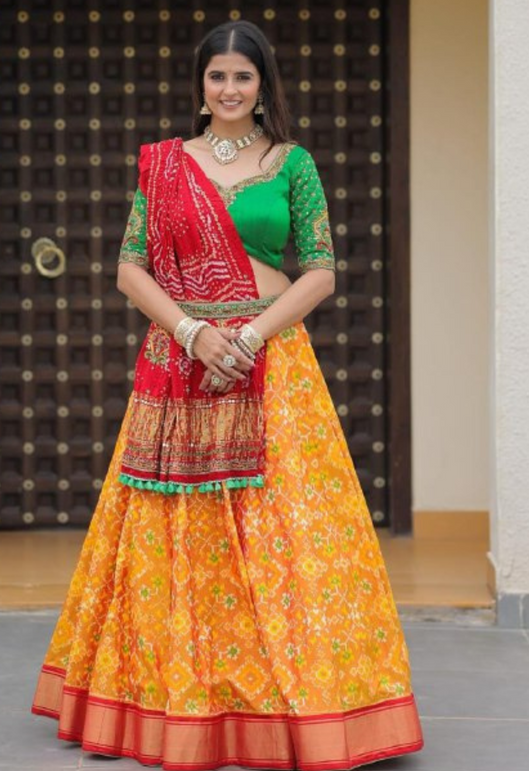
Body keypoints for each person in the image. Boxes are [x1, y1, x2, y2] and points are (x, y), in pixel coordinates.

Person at [31, 20, 424, 770]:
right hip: (178, 364)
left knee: (286, 533)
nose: (231, 89)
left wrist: (245, 339)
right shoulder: (164, 164)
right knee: (174, 532)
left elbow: (320, 269)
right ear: (200, 85)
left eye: (245, 77)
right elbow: (129, 268)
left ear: (263, 85)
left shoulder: (293, 164)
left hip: (272, 362)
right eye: (218, 76)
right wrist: (190, 331)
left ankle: (288, 706)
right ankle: (170, 700)